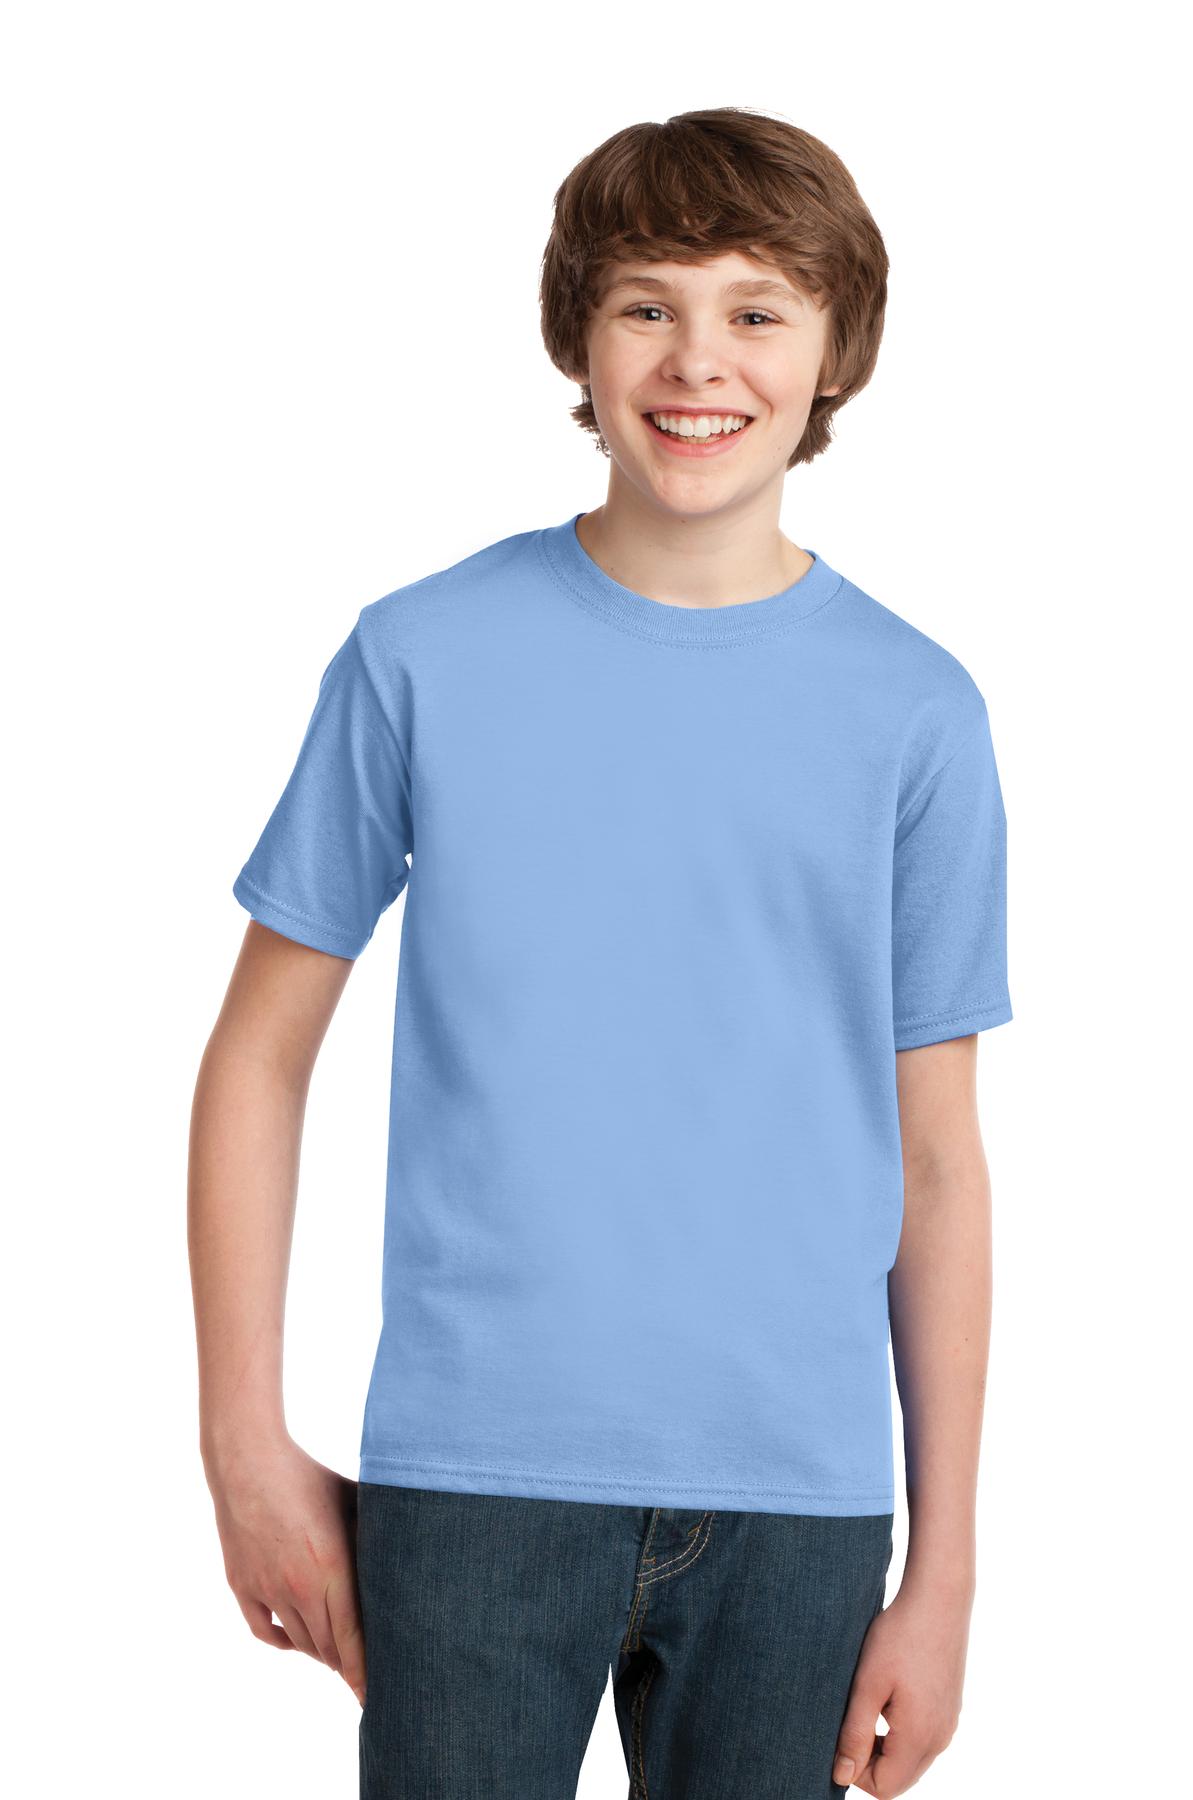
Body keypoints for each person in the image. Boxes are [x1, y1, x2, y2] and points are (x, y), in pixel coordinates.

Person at [190, 107, 1012, 1799]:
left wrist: (943, 1574)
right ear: (577, 333)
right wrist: (241, 1445)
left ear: (837, 349)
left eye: (756, 310)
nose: (698, 359)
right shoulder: (422, 655)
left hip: (797, 1501)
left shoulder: (917, 713)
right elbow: (258, 1057)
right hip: (472, 1479)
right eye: (648, 305)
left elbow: (938, 1160)